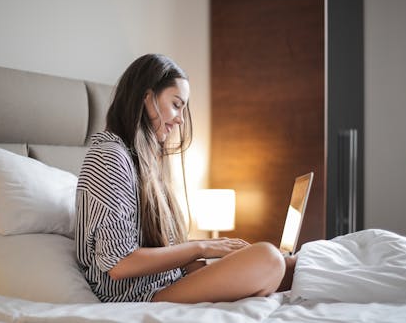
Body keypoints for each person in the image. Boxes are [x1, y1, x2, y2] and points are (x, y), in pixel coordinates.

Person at [75, 53, 296, 303]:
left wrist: (218, 256)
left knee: (293, 263)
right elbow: (119, 264)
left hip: (168, 283)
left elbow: (163, 247)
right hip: (138, 296)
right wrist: (202, 247)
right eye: (176, 104)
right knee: (268, 259)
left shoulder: (143, 161)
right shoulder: (109, 157)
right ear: (146, 98)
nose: (180, 119)